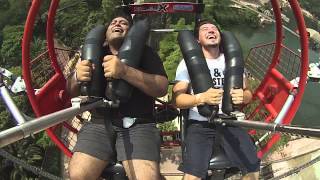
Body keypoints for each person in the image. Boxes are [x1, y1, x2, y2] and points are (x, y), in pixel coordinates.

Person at [66, 14, 168, 180]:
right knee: (78, 175)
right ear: (106, 33)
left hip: (138, 124)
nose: (117, 24)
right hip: (99, 123)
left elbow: (162, 87)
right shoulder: (94, 54)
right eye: (113, 22)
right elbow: (70, 90)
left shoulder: (146, 53)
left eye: (124, 22)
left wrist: (125, 71)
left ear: (131, 31)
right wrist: (77, 77)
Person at [173, 19, 260, 180]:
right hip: (200, 123)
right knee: (192, 177)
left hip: (229, 122)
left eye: (214, 29)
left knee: (253, 172)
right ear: (197, 39)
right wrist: (200, 98)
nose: (211, 31)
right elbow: (177, 100)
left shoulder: (233, 62)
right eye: (205, 29)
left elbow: (249, 94)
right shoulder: (187, 64)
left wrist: (243, 96)